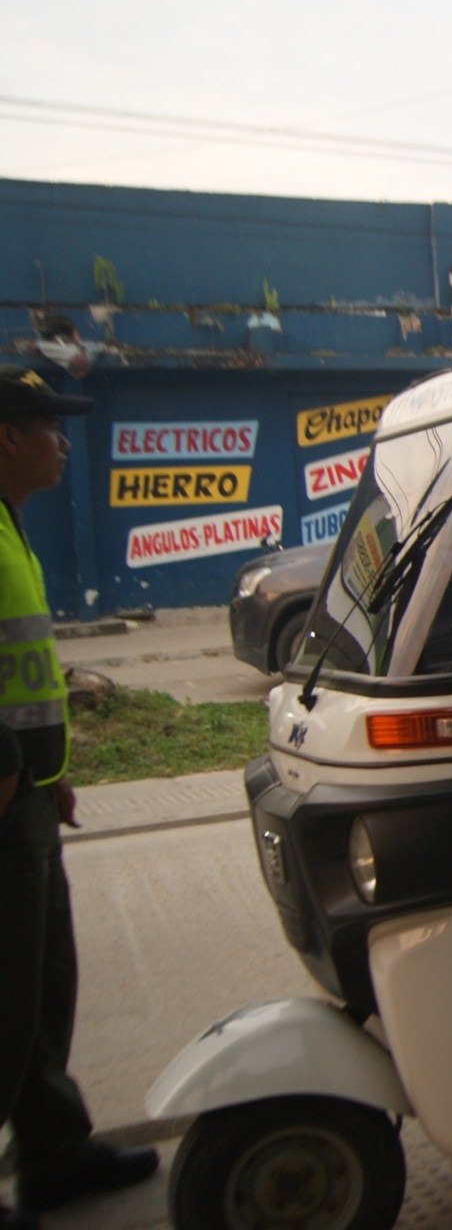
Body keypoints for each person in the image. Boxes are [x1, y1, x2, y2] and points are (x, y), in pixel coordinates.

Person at [1, 365, 159, 1230]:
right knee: (6, 999)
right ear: (7, 438)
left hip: (25, 799)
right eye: (50, 427)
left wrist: (51, 778)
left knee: (39, 990)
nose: (64, 443)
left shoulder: (10, 526)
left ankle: (55, 1157)